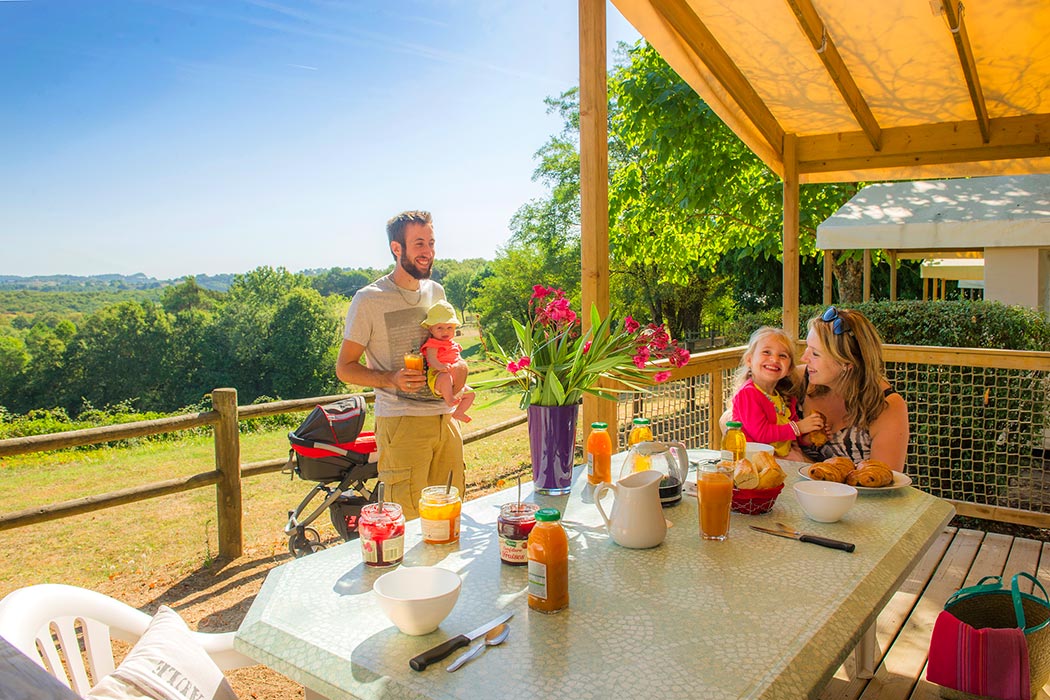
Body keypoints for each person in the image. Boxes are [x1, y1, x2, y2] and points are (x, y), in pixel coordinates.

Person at [335, 210, 464, 520]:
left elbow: (442, 346)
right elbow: (345, 367)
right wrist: (391, 377)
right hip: (401, 423)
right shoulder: (369, 299)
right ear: (397, 248)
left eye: (431, 242)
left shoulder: (436, 292)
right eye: (419, 243)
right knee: (408, 520)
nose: (428, 252)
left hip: (445, 420)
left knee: (450, 514)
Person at [799, 306, 910, 470]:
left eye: (815, 354)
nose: (804, 358)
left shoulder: (886, 405)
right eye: (807, 347)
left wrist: (800, 461)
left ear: (847, 363)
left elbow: (883, 484)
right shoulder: (801, 380)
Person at [730, 326, 824, 459]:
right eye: (766, 352)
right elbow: (761, 434)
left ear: (790, 368)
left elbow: (792, 435)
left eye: (782, 356)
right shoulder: (748, 394)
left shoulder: (785, 397)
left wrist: (809, 435)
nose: (774, 359)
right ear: (749, 360)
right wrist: (799, 427)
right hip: (754, 461)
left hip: (779, 458)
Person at [419, 300, 474, 423]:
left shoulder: (454, 344)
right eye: (440, 328)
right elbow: (431, 358)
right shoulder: (433, 344)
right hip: (438, 376)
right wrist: (440, 366)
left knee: (471, 393)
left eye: (449, 327)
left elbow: (457, 358)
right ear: (431, 329)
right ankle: (449, 400)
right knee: (445, 377)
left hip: (455, 381)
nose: (445, 331)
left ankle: (459, 412)